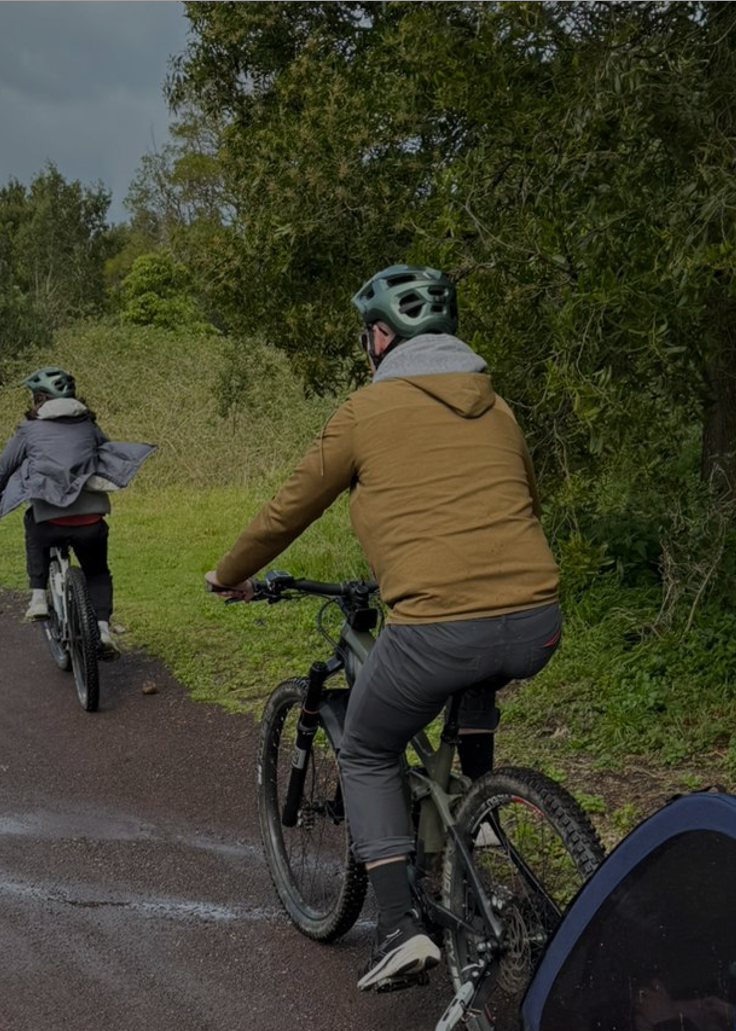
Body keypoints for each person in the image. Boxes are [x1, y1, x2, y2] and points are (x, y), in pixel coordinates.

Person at [205, 265, 562, 991]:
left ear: (379, 337)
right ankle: (481, 803)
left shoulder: (365, 412)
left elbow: (288, 509)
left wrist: (226, 572)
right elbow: (522, 497)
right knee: (475, 669)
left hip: (438, 627)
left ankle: (398, 926)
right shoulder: (499, 409)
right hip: (536, 618)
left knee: (368, 743)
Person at [0, 367, 154, 654]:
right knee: (96, 572)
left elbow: (4, 467)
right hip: (91, 519)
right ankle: (104, 630)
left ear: (39, 399)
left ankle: (38, 598)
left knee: (32, 526)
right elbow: (106, 453)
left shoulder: (28, 429)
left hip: (48, 519)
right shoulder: (88, 426)